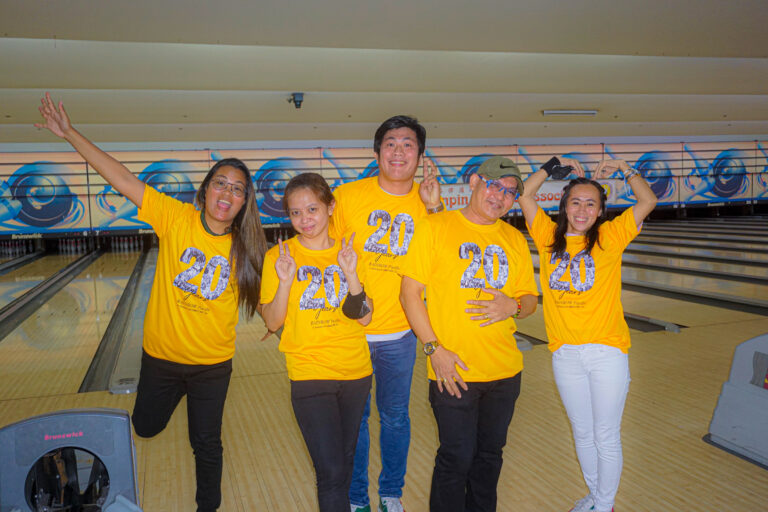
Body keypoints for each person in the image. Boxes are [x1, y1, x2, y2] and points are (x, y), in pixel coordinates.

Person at [36, 92, 268, 512]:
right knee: (145, 428)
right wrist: (69, 133)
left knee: (206, 442)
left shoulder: (249, 247)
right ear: (206, 189)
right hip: (160, 358)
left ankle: (207, 507)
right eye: (221, 183)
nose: (227, 193)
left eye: (237, 189)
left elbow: (271, 306)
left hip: (212, 366)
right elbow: (120, 178)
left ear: (243, 202)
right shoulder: (174, 218)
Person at [517, 157, 657, 512]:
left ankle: (605, 503)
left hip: (606, 353)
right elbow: (525, 195)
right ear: (564, 206)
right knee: (582, 433)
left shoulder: (611, 237)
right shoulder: (548, 236)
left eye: (590, 203)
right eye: (575, 202)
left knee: (605, 434)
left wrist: (626, 168)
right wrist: (551, 166)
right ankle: (596, 498)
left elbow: (647, 201)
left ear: (600, 211)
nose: (582, 209)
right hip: (565, 355)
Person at [399, 156, 539, 512]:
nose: (501, 197)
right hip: (453, 369)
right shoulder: (435, 227)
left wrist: (515, 307)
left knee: (489, 458)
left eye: (510, 193)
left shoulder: (513, 238)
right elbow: (409, 294)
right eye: (495, 186)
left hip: (505, 372)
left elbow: (529, 299)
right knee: (456, 457)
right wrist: (434, 350)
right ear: (476, 182)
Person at [331, 115, 441, 512]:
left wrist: (436, 208)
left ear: (420, 155)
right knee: (355, 423)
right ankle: (357, 498)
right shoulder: (347, 196)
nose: (398, 151)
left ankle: (390, 493)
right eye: (390, 143)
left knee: (395, 418)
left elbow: (442, 260)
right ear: (377, 151)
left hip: (400, 334)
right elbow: (327, 257)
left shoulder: (429, 204)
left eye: (408, 144)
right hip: (352, 332)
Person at [259, 173, 373, 512]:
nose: (304, 220)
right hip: (309, 373)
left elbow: (365, 316)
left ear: (330, 207)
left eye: (312, 209)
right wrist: (284, 281)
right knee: (331, 471)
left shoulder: (350, 252)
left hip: (355, 372)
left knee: (346, 463)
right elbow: (272, 321)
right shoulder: (278, 258)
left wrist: (351, 274)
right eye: (295, 213)